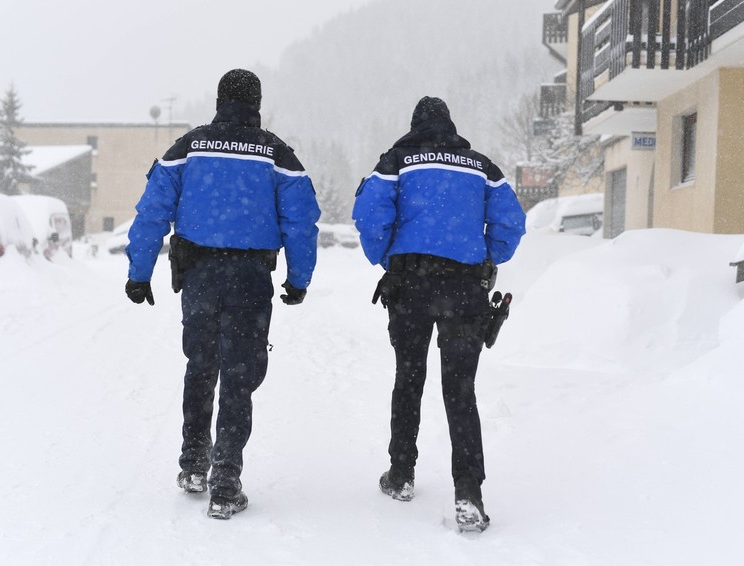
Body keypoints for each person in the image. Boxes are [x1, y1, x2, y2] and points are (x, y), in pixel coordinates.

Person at [124, 69, 320, 520]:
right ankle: (226, 483)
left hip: (199, 274)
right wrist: (298, 279)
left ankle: (194, 464)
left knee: (201, 364)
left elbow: (152, 211)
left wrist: (139, 273)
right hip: (251, 277)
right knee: (238, 374)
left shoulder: (188, 147)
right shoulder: (277, 154)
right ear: (257, 104)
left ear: (218, 101)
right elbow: (300, 222)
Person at [352, 96, 526, 532]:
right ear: (450, 125)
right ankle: (469, 494)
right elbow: (511, 223)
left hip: (410, 285)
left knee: (408, 378)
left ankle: (401, 474)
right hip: (465, 288)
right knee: (460, 390)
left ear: (415, 125)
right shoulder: (482, 167)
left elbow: (369, 215)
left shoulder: (397, 161)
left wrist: (388, 258)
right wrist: (487, 258)